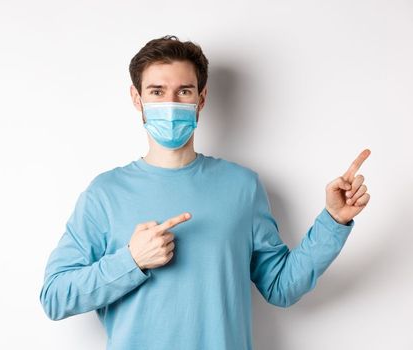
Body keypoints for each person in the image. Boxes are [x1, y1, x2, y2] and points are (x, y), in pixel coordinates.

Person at [38, 35, 371, 349]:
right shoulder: (105, 193)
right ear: (136, 99)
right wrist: (132, 260)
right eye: (156, 91)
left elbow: (281, 287)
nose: (170, 103)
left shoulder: (242, 186)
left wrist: (333, 221)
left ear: (201, 99)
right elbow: (55, 297)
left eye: (183, 91)